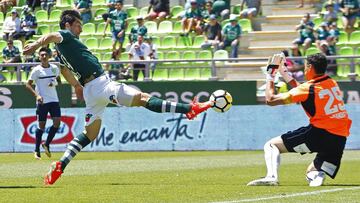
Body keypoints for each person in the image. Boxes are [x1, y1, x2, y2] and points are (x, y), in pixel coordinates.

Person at [23, 9, 212, 185]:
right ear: (68, 24)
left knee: (90, 134)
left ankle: (60, 166)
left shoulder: (63, 50)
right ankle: (190, 109)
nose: (81, 27)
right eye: (78, 24)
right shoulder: (64, 36)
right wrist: (36, 44)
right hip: (101, 84)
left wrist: (75, 86)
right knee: (142, 98)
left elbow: (64, 68)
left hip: (90, 90)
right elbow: (52, 35)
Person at [247, 53, 352, 187]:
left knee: (271, 145)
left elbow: (270, 100)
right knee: (311, 171)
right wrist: (284, 72)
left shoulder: (308, 88)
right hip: (339, 138)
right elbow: (302, 91)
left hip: (320, 133)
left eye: (305, 67)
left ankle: (271, 176)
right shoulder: (331, 82)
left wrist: (270, 75)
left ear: (310, 67)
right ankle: (318, 174)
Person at [25, 47, 61, 160]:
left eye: (45, 54)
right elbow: (28, 84)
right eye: (42, 55)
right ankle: (36, 150)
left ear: (49, 56)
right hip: (42, 101)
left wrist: (54, 82)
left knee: (57, 123)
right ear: (39, 57)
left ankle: (46, 144)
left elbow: (59, 81)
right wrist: (37, 96)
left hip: (54, 100)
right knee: (41, 126)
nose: (44, 57)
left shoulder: (55, 68)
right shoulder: (36, 70)